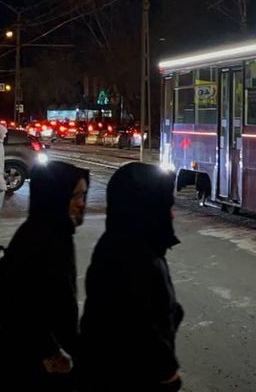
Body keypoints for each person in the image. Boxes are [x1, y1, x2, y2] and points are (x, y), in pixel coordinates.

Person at [80, 163, 184, 391]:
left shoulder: (120, 243)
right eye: (166, 206)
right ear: (147, 208)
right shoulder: (138, 257)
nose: (172, 215)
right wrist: (167, 373)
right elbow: (141, 329)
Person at [0, 161, 89, 391]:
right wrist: (49, 351)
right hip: (35, 360)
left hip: (34, 352)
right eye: (77, 196)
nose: (82, 204)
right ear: (57, 198)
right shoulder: (45, 240)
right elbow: (23, 304)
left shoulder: (49, 231)